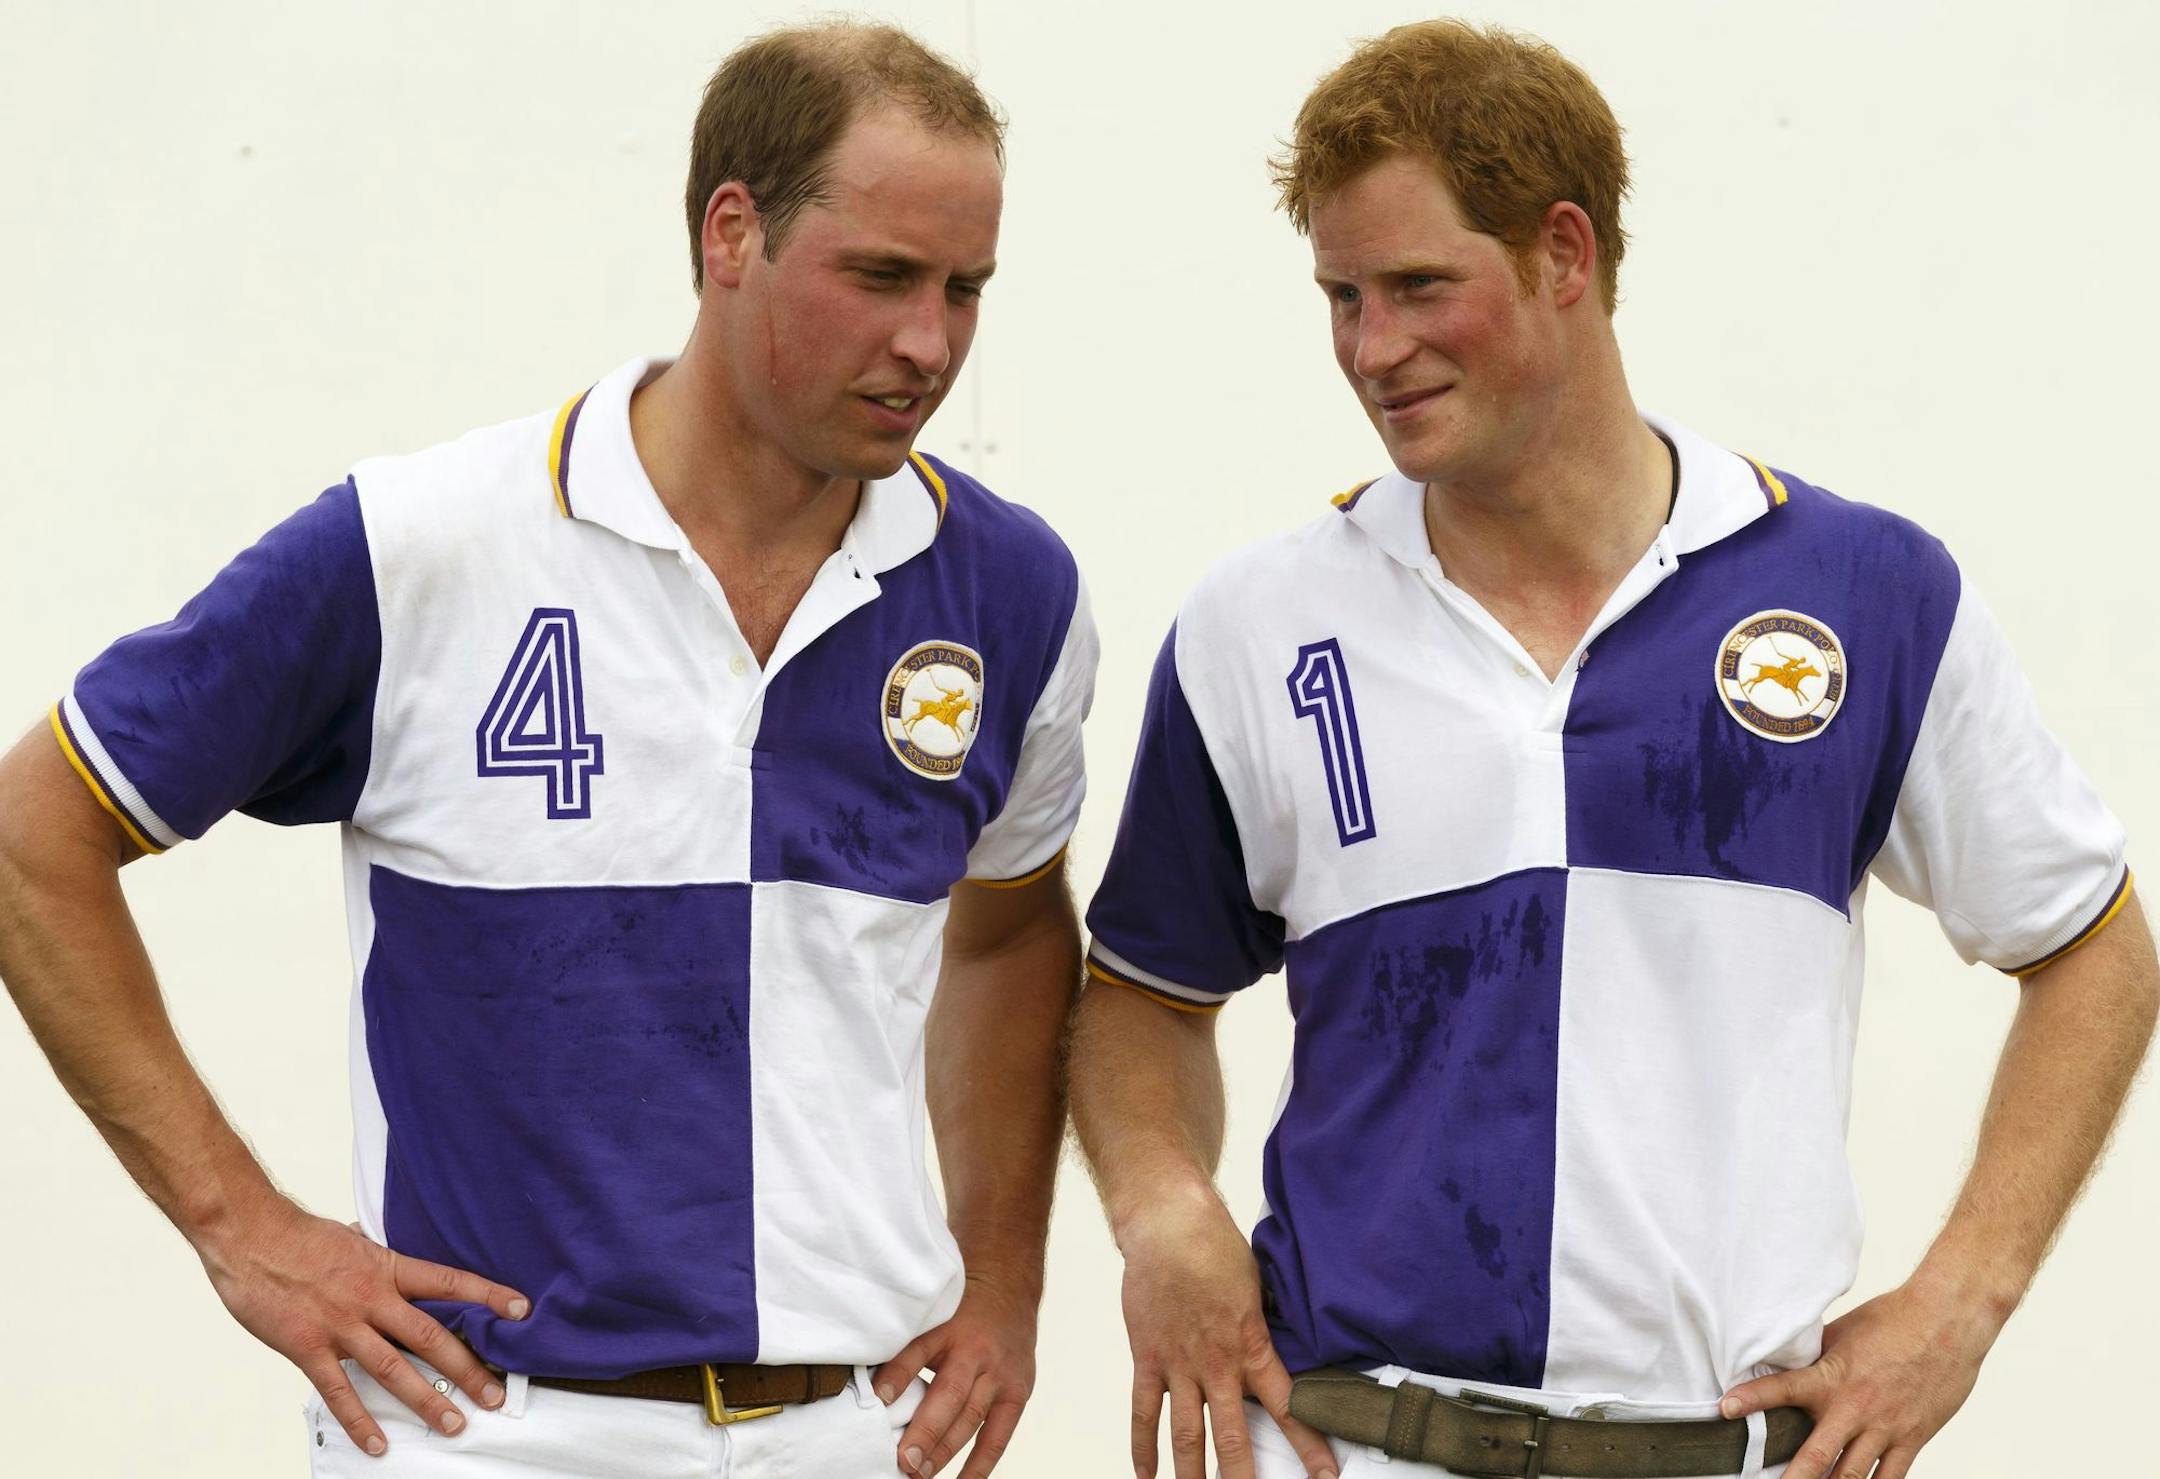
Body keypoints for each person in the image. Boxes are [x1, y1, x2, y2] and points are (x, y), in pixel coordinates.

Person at [0, 20, 1093, 1479]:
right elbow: (34, 832)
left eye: (968, 290)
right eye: (883, 276)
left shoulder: (1009, 589)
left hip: (853, 1435)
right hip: (486, 1434)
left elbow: (1014, 930)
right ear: (731, 233)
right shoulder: (420, 547)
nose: (930, 343)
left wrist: (1005, 1285)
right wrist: (243, 1232)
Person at [1068, 19, 2157, 1479]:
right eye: (1340, 297)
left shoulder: (1866, 593)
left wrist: (1963, 1301)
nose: (1370, 349)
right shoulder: (1258, 623)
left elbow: (2092, 948)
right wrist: (1160, 1213)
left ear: (1563, 254)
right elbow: (1140, 995)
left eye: (1416, 288)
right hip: (1345, 1440)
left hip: (1720, 1450)